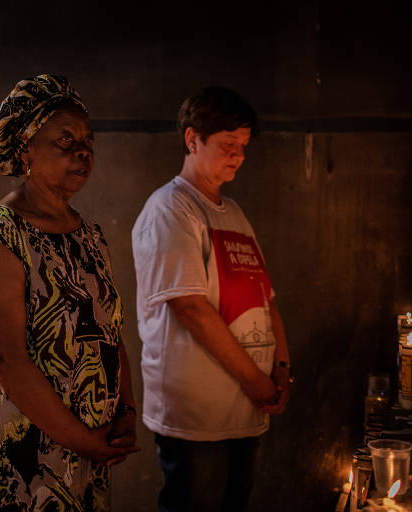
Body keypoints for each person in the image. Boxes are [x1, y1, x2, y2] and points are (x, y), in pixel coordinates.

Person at [0, 74, 138, 512]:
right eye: (64, 139)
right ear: (26, 150)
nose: (82, 151)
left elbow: (110, 332)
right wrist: (84, 440)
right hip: (24, 447)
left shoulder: (91, 234)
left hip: (88, 443)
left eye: (88, 141)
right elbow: (7, 361)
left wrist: (126, 413)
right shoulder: (0, 236)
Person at [131, 87, 292, 512]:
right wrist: (256, 380)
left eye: (243, 147)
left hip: (246, 408)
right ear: (192, 139)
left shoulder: (234, 212)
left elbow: (266, 299)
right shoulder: (170, 208)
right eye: (227, 145)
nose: (238, 156)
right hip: (196, 416)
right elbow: (190, 308)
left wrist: (281, 369)